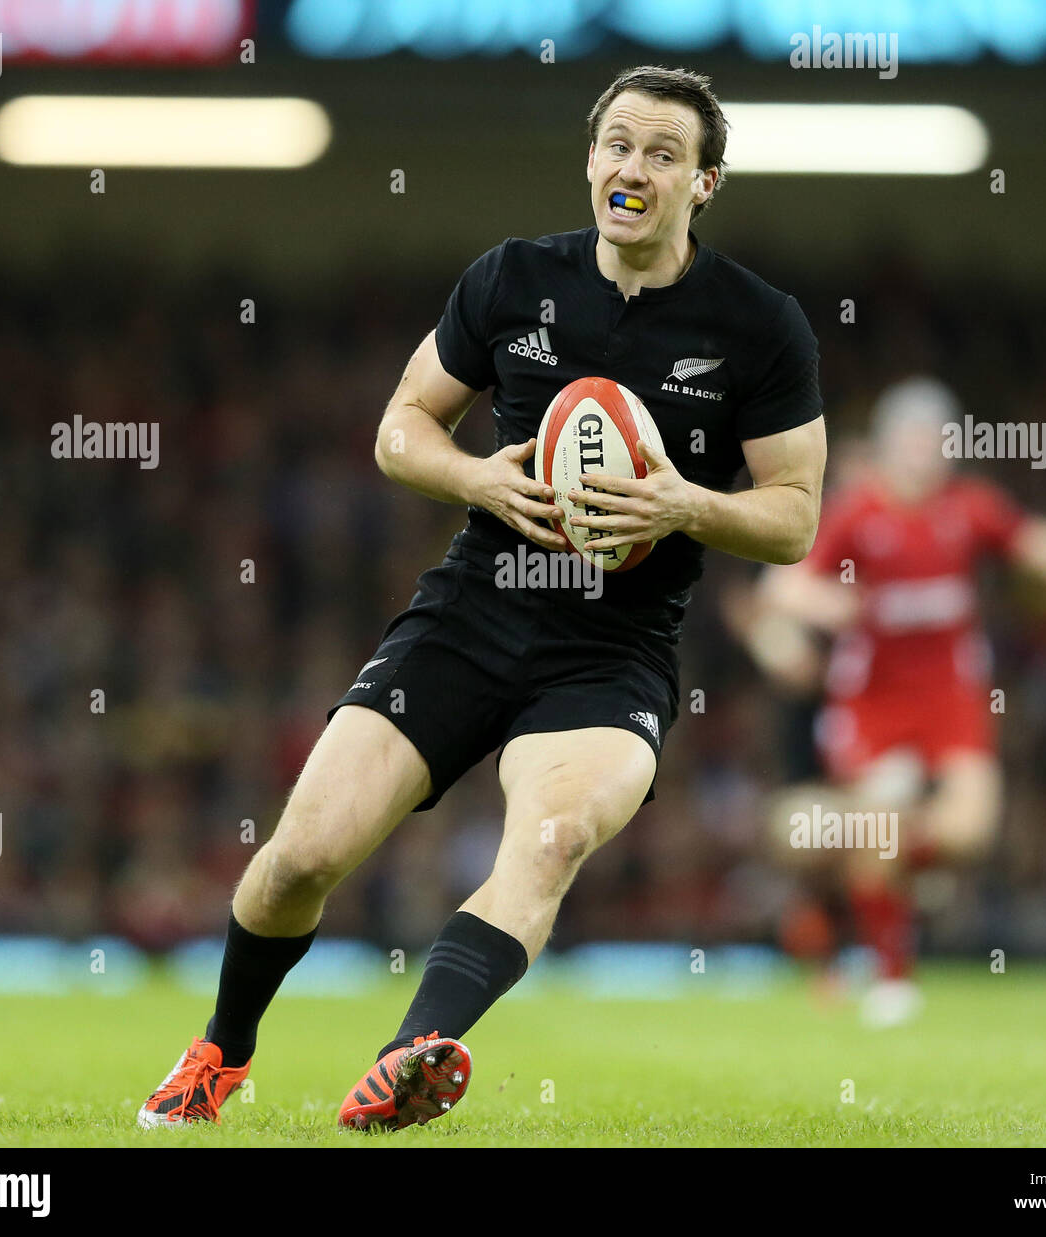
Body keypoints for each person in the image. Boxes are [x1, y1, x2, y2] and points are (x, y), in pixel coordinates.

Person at [139, 64, 827, 1132]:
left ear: (705, 184)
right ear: (590, 159)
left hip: (614, 649)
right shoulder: (511, 279)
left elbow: (793, 517)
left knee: (547, 842)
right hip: (471, 614)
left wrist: (682, 504)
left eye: (662, 154)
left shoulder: (759, 324)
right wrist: (476, 476)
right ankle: (220, 1053)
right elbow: (401, 425)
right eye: (617, 145)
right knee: (303, 855)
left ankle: (411, 1051)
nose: (632, 168)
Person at [725, 376, 1046, 1026]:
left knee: (969, 833)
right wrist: (818, 605)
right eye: (913, 441)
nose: (926, 455)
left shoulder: (969, 508)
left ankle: (834, 862)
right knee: (884, 816)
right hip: (873, 710)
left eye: (938, 441)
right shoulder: (858, 514)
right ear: (888, 446)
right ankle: (891, 976)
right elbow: (780, 586)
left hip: (953, 703)